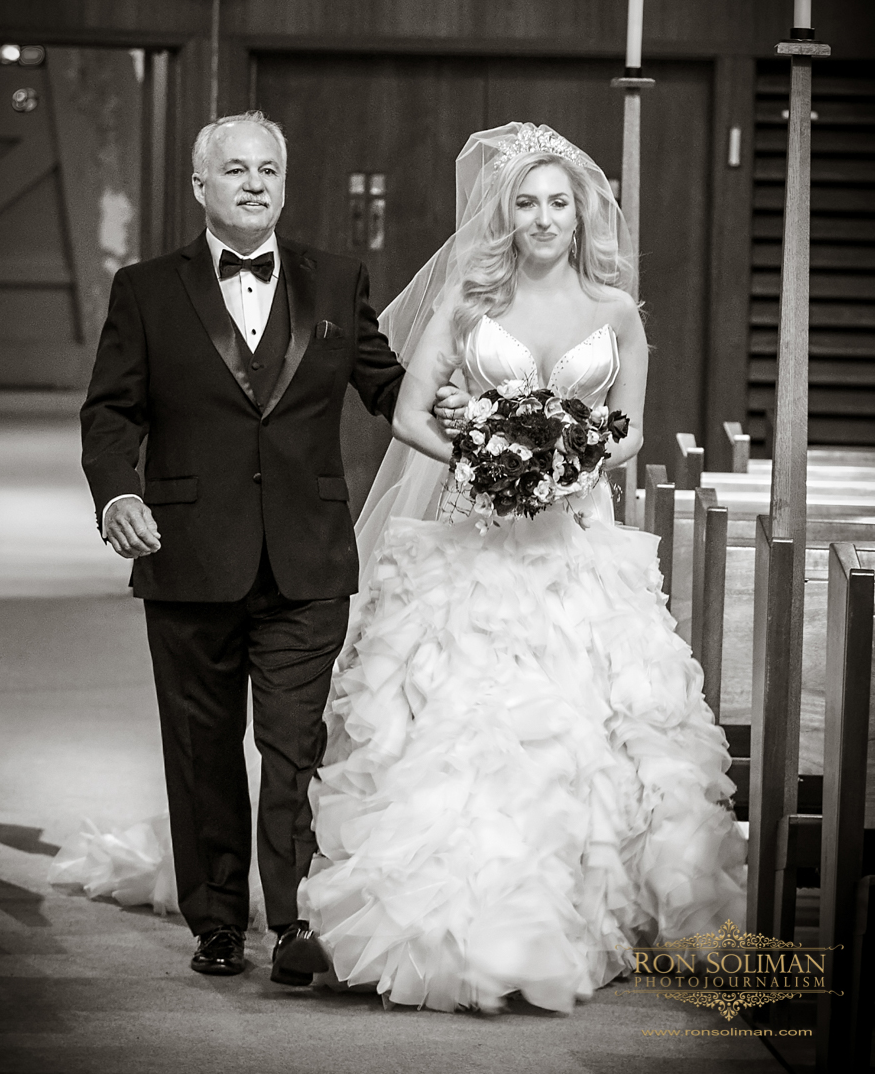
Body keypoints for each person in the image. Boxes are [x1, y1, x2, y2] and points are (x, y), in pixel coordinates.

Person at [297, 123, 747, 1013]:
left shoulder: (616, 312)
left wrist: (569, 467)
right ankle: (459, 915)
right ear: (506, 214)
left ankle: (578, 910)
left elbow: (631, 429)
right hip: (473, 543)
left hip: (576, 546)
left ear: (583, 215)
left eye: (559, 202)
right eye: (528, 203)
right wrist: (481, 462)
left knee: (585, 731)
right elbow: (412, 413)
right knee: (466, 729)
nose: (544, 217)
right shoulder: (469, 298)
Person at [78, 111, 468, 984]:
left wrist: (469, 412)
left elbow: (386, 385)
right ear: (200, 187)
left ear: (284, 184)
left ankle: (293, 923)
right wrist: (119, 494)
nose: (255, 184)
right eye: (236, 170)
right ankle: (218, 921)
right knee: (202, 747)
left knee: (294, 747)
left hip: (307, 557)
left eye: (268, 170)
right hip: (187, 553)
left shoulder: (337, 279)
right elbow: (109, 414)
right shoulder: (144, 289)